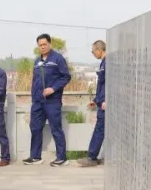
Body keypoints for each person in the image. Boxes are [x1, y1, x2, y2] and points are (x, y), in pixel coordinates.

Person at [24, 33, 71, 166]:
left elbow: (66, 77)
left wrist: (53, 88)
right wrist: (34, 97)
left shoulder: (58, 59)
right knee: (35, 128)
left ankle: (61, 158)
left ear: (50, 44)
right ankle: (35, 157)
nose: (42, 47)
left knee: (56, 128)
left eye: (45, 44)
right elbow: (35, 80)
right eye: (40, 45)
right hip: (38, 101)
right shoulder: (37, 61)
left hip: (52, 101)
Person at [78, 40, 107, 167]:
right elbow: (102, 86)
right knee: (100, 130)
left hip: (105, 104)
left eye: (93, 51)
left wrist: (107, 100)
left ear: (99, 50)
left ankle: (92, 157)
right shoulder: (103, 63)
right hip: (102, 102)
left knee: (99, 130)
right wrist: (96, 101)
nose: (93, 54)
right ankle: (93, 156)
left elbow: (110, 84)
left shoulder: (107, 63)